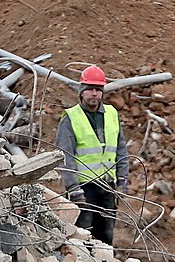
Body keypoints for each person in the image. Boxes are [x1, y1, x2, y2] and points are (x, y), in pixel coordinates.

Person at [55, 65, 128, 246]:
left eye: (98, 90)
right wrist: (73, 188)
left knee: (106, 236)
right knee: (83, 237)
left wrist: (122, 181)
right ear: (81, 91)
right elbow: (65, 156)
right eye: (90, 89)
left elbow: (121, 150)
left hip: (107, 187)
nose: (94, 94)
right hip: (84, 189)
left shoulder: (112, 114)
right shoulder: (71, 118)